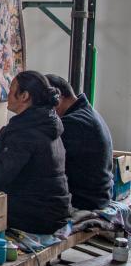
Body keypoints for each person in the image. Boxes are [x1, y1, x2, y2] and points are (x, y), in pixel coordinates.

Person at [0, 70, 71, 234]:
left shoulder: (26, 131)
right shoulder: (45, 122)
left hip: (36, 216)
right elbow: (29, 155)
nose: (7, 94)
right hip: (54, 212)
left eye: (11, 90)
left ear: (24, 96)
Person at [45, 74, 113, 211]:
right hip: (98, 196)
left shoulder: (73, 122)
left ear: (58, 98)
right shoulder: (85, 112)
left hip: (85, 201)